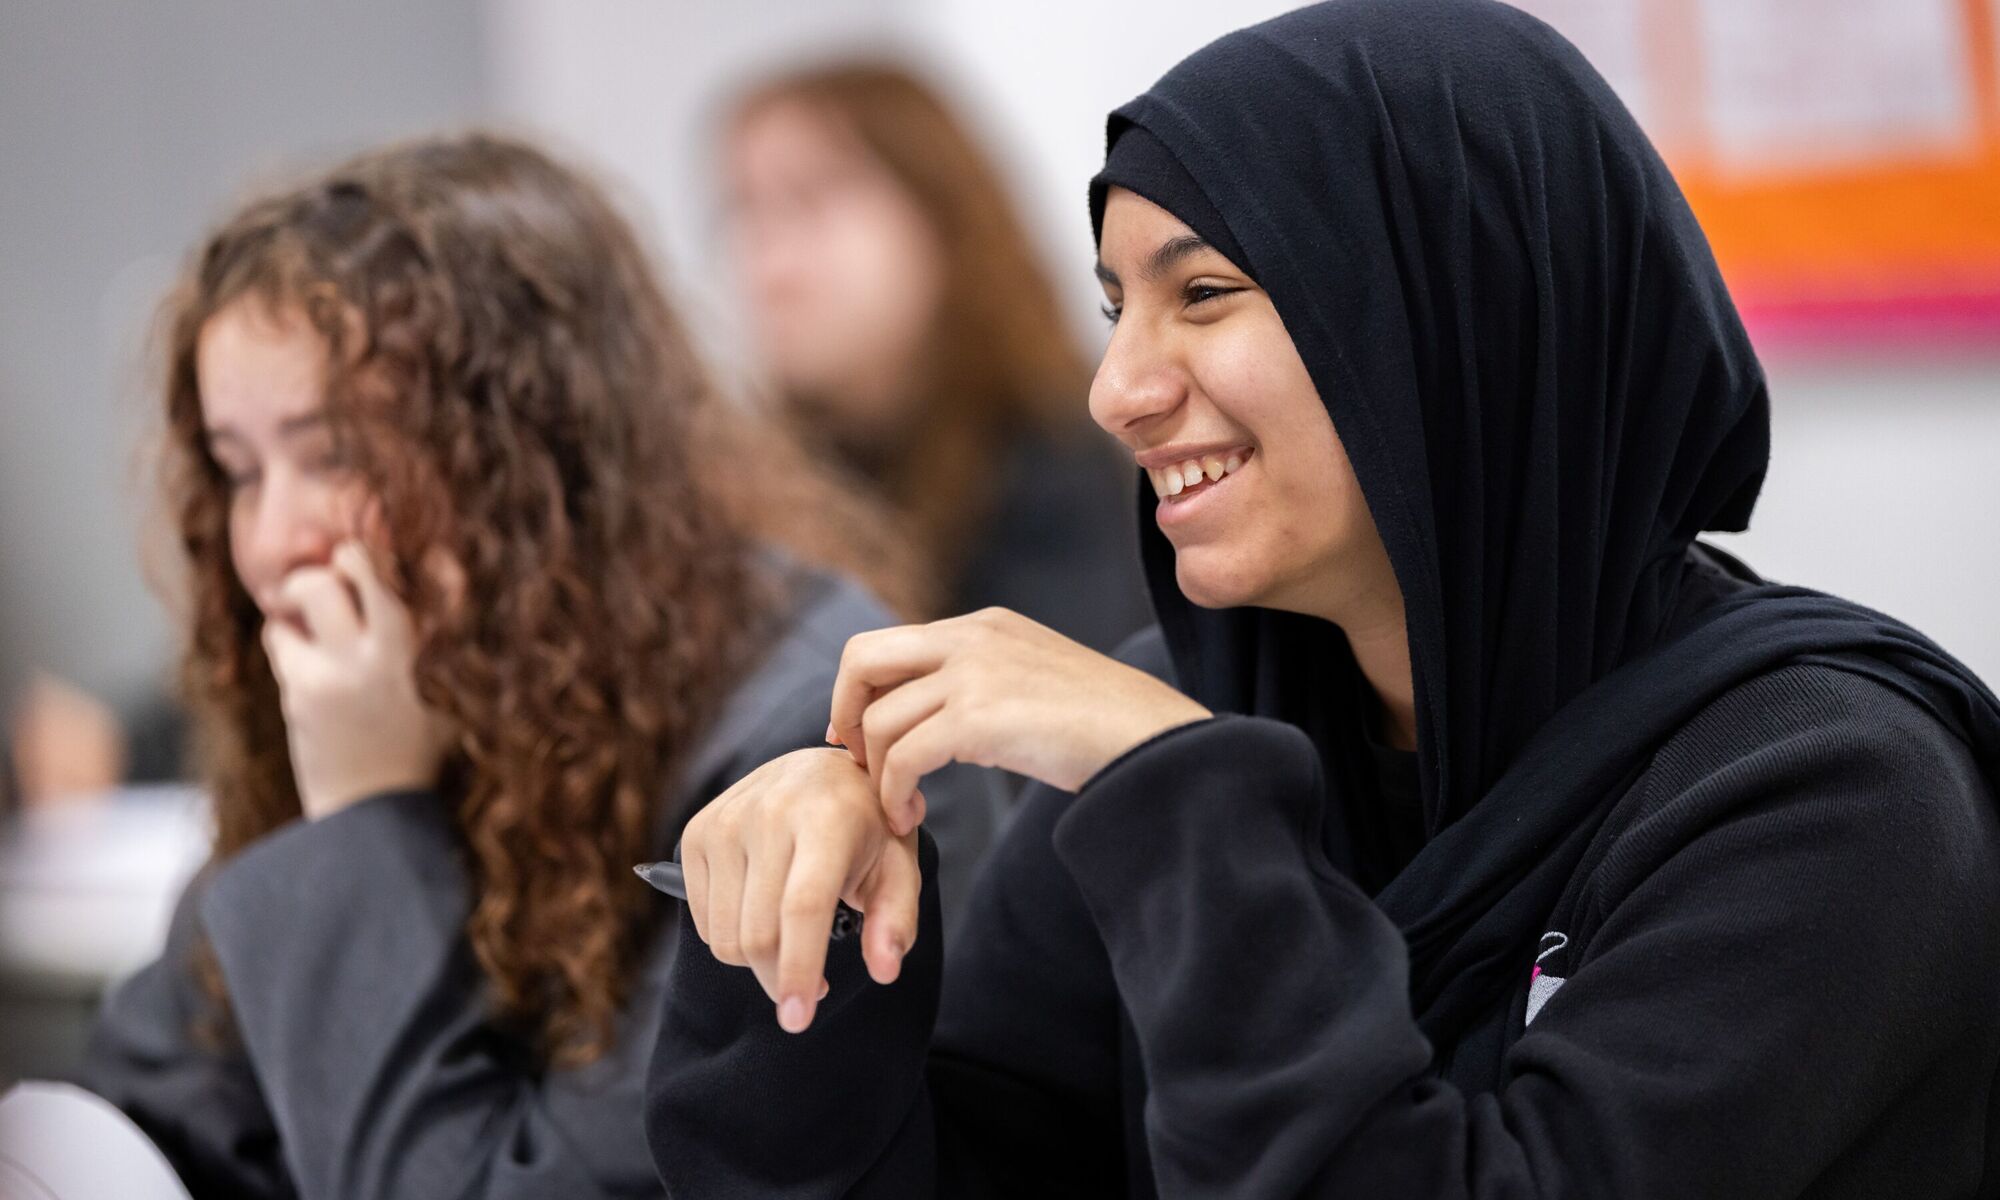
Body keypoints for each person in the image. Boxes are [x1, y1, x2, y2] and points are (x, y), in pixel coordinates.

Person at [645, 3, 2000, 1196]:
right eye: (1120, 305)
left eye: (1208, 292)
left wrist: (1180, 803)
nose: (1119, 391)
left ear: (1453, 322)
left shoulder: (1834, 798)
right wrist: (805, 942)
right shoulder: (1193, 723)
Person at [74, 132, 1002, 1200]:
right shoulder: (410, 678)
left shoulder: (804, 730)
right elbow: (155, 1099)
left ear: (527, 456)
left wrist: (365, 815)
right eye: (238, 472)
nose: (272, 538)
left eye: (333, 455)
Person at [723, 63, 1151, 652]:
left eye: (810, 203)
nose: (770, 269)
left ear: (941, 219)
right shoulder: (763, 482)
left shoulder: (1056, 466)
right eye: (745, 214)